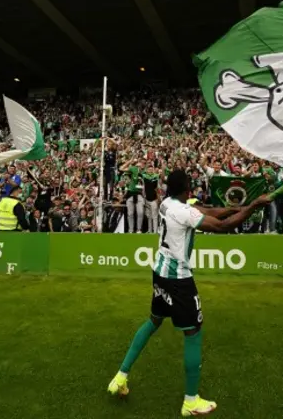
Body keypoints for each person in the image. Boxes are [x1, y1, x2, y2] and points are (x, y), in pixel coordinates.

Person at [107, 169, 269, 416]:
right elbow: (222, 226)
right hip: (178, 279)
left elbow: (207, 212)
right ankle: (190, 401)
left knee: (153, 321)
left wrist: (240, 207)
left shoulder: (168, 204)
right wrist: (255, 206)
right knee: (193, 332)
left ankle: (120, 377)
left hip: (160, 272)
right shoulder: (183, 211)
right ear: (187, 191)